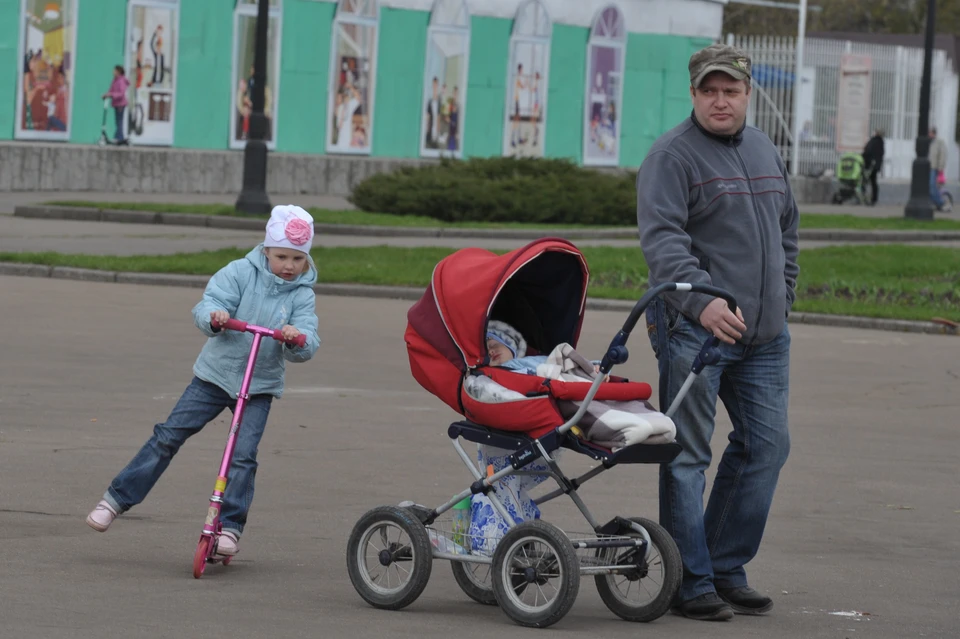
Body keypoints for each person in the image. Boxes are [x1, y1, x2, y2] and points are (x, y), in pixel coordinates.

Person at [635, 43, 799, 622]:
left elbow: (787, 231)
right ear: (694, 94)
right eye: (710, 90)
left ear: (748, 94)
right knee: (685, 455)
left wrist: (785, 295)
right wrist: (702, 303)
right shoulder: (672, 157)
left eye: (731, 90)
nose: (721, 100)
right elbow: (663, 243)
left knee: (767, 446)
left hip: (765, 339)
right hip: (695, 334)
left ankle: (725, 567)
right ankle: (688, 579)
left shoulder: (762, 148)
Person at [85, 205, 322, 557]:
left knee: (243, 456)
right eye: (282, 256)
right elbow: (207, 303)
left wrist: (294, 337)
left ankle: (230, 527)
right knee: (168, 435)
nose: (289, 266)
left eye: (298, 259)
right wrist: (216, 317)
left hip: (258, 387)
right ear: (266, 250)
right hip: (216, 376)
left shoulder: (302, 294)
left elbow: (309, 340)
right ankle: (116, 499)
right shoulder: (241, 272)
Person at [101, 65, 130, 143]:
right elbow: (111, 90)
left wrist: (111, 95)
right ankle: (118, 137)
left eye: (114, 71)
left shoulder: (121, 81)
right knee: (117, 121)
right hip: (116, 103)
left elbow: (121, 93)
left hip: (121, 103)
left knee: (119, 121)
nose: (113, 72)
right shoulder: (115, 80)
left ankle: (119, 137)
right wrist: (106, 95)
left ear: (118, 72)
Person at [862, 128, 885, 205]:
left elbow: (868, 151)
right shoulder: (880, 142)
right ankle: (872, 198)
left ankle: (867, 198)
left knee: (866, 181)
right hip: (874, 165)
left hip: (870, 165)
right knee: (872, 182)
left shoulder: (874, 141)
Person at [929, 127, 951, 212]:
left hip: (934, 168)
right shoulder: (928, 142)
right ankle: (935, 203)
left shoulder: (939, 142)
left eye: (930, 133)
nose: (929, 134)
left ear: (934, 133)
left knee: (932, 186)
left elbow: (943, 155)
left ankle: (942, 203)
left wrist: (940, 167)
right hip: (927, 168)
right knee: (929, 187)